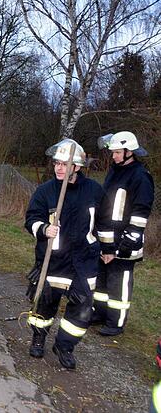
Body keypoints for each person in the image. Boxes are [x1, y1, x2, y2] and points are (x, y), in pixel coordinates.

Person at [24, 139, 104, 369]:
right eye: (56, 163)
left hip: (84, 260)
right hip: (54, 259)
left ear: (77, 167)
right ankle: (39, 336)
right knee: (45, 303)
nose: (59, 168)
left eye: (64, 164)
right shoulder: (45, 191)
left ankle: (65, 345)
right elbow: (30, 220)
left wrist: (107, 249)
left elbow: (104, 221)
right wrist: (43, 229)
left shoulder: (94, 191)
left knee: (82, 308)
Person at [92, 131, 154, 336]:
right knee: (101, 281)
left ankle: (116, 322)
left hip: (125, 243)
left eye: (118, 152)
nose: (114, 156)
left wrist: (128, 242)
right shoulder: (114, 171)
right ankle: (100, 313)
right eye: (113, 152)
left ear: (130, 152)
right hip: (106, 240)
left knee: (119, 283)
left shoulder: (141, 176)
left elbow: (141, 212)